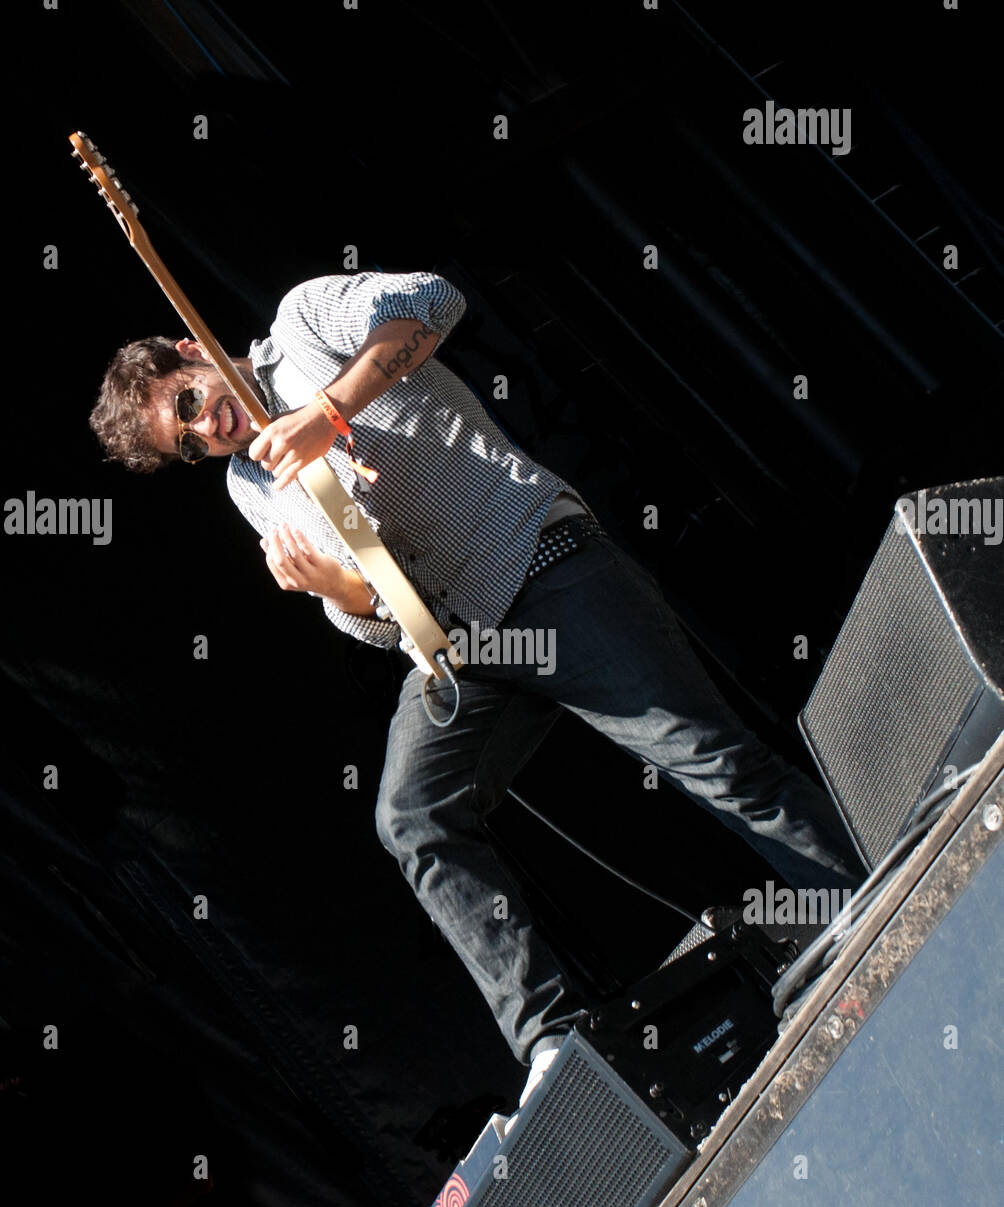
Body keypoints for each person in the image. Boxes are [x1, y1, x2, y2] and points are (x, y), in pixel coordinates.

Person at [89, 270, 860, 1105]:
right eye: (190, 444)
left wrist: (331, 411)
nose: (210, 431)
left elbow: (432, 301)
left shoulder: (304, 324)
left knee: (711, 760)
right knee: (410, 817)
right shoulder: (251, 487)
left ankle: (863, 903)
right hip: (460, 652)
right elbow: (379, 617)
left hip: (542, 567)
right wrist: (333, 592)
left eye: (192, 405)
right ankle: (558, 1054)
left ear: (193, 354)